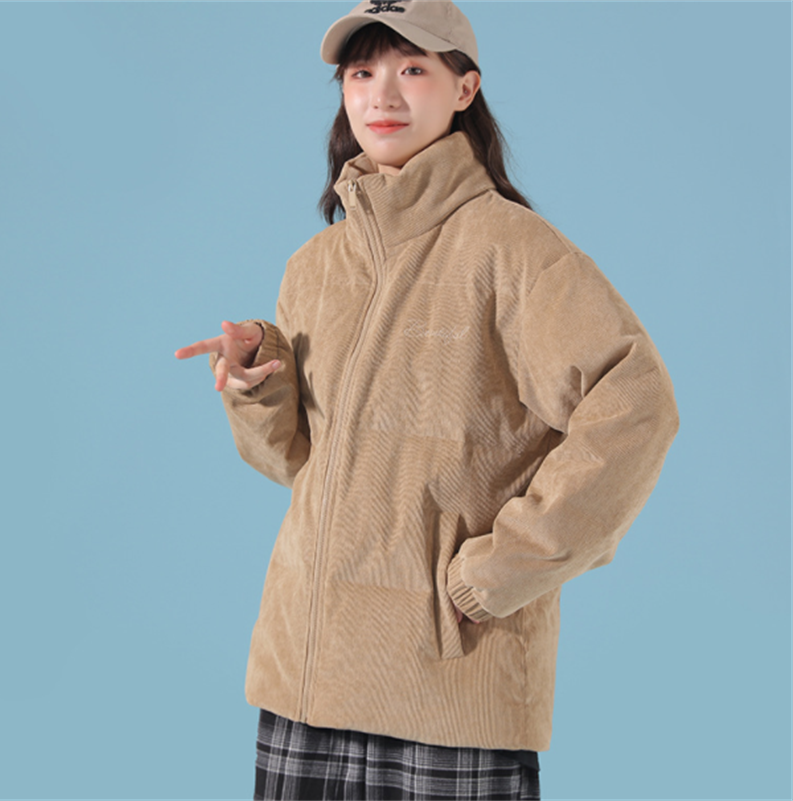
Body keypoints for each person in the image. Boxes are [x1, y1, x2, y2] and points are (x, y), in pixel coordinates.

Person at [175, 2, 680, 799]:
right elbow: (302, 466)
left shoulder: (514, 250)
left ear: (465, 89)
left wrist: (499, 572)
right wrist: (258, 383)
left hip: (449, 690)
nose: (383, 95)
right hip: (303, 678)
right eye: (362, 73)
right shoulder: (315, 266)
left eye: (413, 69)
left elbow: (637, 405)